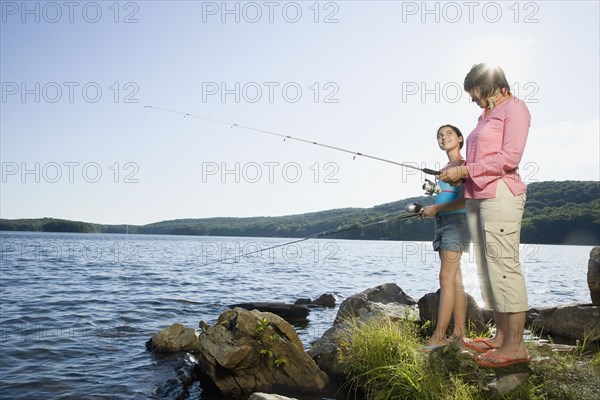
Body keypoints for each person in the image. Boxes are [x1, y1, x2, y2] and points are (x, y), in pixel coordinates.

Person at [439, 63, 531, 367]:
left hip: (501, 194)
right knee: (489, 271)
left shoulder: (515, 108)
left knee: (504, 267)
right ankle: (503, 337)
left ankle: (515, 346)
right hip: (477, 197)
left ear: (487, 83)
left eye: (473, 91)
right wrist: (458, 169)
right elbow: (480, 161)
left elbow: (509, 158)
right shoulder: (484, 117)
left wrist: (467, 170)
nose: (472, 98)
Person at [421, 124, 470, 350]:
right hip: (443, 223)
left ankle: (439, 336)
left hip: (456, 224)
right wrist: (431, 209)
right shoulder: (446, 168)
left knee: (446, 279)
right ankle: (459, 332)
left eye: (449, 133)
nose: (443, 137)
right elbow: (446, 198)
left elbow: (466, 201)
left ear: (460, 138)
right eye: (439, 135)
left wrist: (436, 209)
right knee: (456, 281)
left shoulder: (464, 166)